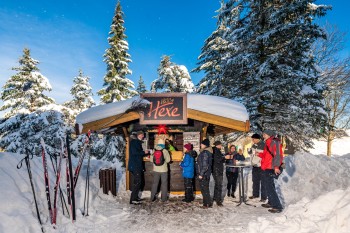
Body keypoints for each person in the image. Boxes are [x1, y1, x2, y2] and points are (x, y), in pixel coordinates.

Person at [259, 129, 284, 213]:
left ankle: (277, 206)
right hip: (267, 167)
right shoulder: (268, 142)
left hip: (271, 167)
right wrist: (259, 154)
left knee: (270, 187)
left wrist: (276, 167)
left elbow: (277, 155)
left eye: (264, 134)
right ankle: (271, 202)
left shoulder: (274, 142)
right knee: (269, 186)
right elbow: (267, 155)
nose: (263, 136)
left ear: (269, 135)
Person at [128, 131, 150, 205]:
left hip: (137, 165)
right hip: (135, 165)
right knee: (137, 182)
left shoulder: (137, 142)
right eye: (142, 135)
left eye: (143, 135)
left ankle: (135, 197)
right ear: (138, 135)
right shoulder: (134, 142)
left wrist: (146, 154)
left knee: (138, 182)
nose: (143, 136)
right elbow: (135, 153)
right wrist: (144, 152)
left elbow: (138, 154)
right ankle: (133, 199)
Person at [249, 133, 267, 202]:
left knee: (263, 182)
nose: (252, 140)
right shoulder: (254, 145)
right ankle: (255, 194)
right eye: (252, 139)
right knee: (255, 180)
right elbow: (251, 153)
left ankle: (263, 197)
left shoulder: (263, 145)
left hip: (261, 166)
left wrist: (256, 152)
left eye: (253, 139)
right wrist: (250, 151)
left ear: (257, 139)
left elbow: (263, 154)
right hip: (255, 165)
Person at [196, 138, 213, 208]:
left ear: (205, 145)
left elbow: (205, 165)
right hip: (206, 174)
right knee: (205, 189)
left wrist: (201, 174)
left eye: (202, 144)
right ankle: (206, 203)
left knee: (204, 189)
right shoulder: (206, 152)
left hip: (204, 174)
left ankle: (207, 204)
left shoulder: (205, 153)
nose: (200, 145)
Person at [212, 141, 226, 206]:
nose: (221, 146)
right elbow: (217, 160)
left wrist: (224, 158)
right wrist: (224, 157)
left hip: (216, 170)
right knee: (219, 185)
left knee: (217, 185)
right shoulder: (216, 151)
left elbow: (220, 159)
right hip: (217, 170)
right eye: (220, 145)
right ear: (218, 145)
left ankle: (215, 198)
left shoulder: (216, 150)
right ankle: (218, 201)